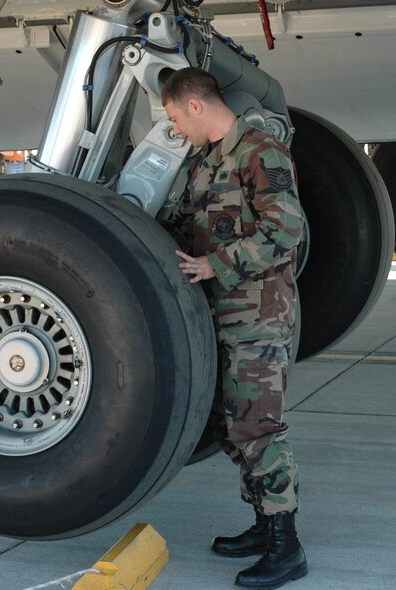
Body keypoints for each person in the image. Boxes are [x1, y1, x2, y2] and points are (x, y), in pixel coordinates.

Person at [161, 67, 308, 590]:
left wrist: (214, 265)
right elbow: (186, 223)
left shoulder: (258, 151)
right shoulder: (205, 161)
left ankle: (286, 547)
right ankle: (264, 524)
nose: (175, 128)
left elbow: (286, 230)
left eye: (175, 117)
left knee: (257, 427)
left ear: (196, 105)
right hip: (221, 315)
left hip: (259, 314)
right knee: (229, 425)